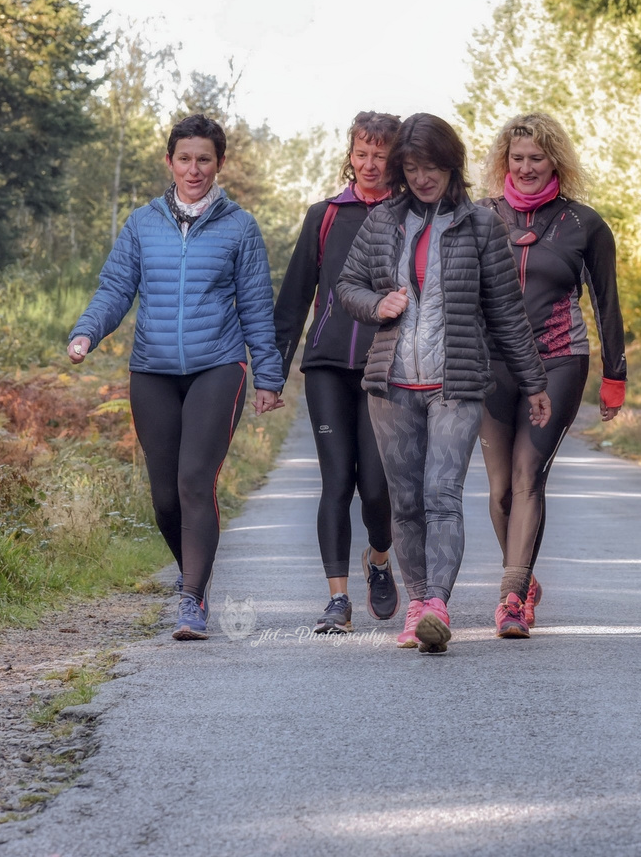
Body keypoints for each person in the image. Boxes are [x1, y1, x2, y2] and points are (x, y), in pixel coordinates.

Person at [337, 112, 550, 654]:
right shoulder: (383, 221)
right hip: (392, 383)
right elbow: (347, 286)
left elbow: (505, 311)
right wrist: (376, 303)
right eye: (410, 168)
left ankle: (436, 605)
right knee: (404, 501)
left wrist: (534, 382)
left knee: (441, 494)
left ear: (451, 164)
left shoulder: (481, 225)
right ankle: (417, 606)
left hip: (456, 382)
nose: (421, 178)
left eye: (430, 166)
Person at [68, 114, 285, 641]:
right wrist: (86, 333)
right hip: (153, 369)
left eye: (204, 159)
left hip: (219, 365)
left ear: (219, 164)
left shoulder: (240, 226)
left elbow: (257, 305)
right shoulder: (143, 223)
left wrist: (268, 376)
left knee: (194, 481)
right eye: (184, 158)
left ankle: (190, 599)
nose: (194, 169)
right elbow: (116, 288)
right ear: (169, 162)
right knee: (164, 497)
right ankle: (197, 579)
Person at [478, 113, 627, 638]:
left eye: (536, 158)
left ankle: (511, 598)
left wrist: (615, 376)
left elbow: (608, 304)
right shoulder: (480, 216)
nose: (525, 168)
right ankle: (524, 578)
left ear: (555, 161)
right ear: (504, 161)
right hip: (492, 364)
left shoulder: (584, 224)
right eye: (516, 159)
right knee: (498, 490)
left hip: (560, 360)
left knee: (527, 475)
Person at [274, 112, 401, 634]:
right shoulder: (324, 215)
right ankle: (337, 601)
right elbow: (294, 298)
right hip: (326, 364)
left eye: (381, 155)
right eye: (361, 153)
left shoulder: (407, 218)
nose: (370, 164)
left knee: (375, 488)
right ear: (349, 154)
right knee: (335, 483)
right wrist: (271, 375)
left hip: (384, 366)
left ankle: (378, 558)